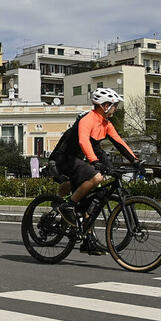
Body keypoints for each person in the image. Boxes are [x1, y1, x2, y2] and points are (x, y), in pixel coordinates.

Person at [49, 87, 142, 253]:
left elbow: (119, 142)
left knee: (93, 199)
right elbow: (84, 142)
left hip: (79, 159)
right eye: (114, 105)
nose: (116, 109)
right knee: (96, 177)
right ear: (105, 105)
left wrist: (134, 160)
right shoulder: (88, 119)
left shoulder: (106, 124)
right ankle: (68, 206)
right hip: (64, 158)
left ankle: (88, 240)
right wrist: (95, 162)